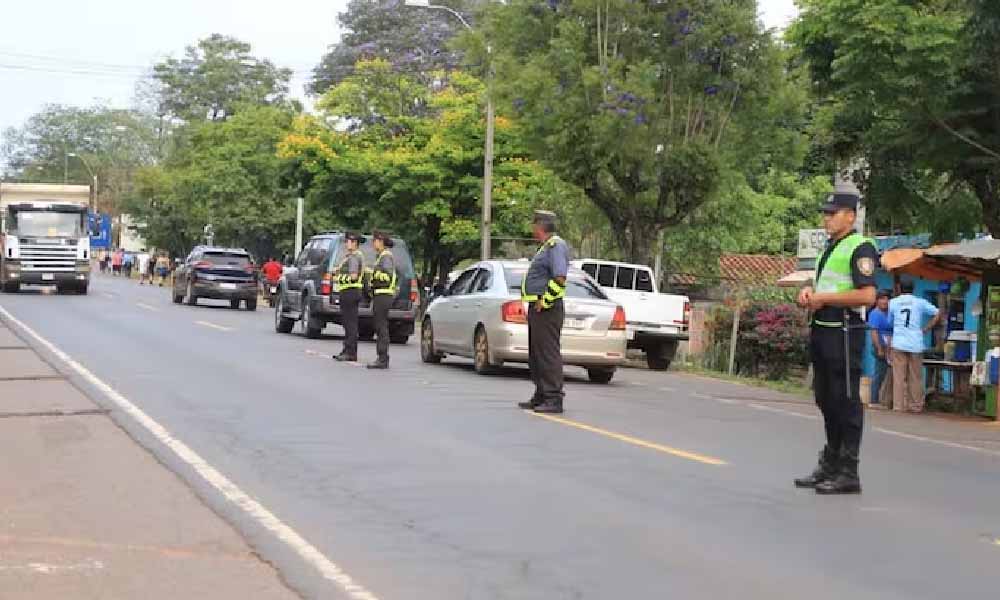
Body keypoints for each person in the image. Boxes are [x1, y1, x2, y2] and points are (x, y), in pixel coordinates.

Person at [794, 191, 877, 495]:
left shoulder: (861, 247)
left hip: (844, 331)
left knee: (846, 398)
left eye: (833, 213)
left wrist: (824, 298)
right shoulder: (830, 248)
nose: (826, 218)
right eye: (825, 213)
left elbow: (868, 295)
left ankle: (848, 470)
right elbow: (822, 285)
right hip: (822, 328)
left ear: (850, 216)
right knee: (825, 398)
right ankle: (830, 462)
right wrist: (807, 294)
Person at [518, 210, 571, 414]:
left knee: (547, 354)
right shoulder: (545, 247)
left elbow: (560, 278)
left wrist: (546, 301)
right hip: (538, 308)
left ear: (540, 226)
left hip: (547, 309)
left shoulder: (555, 246)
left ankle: (553, 397)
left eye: (534, 225)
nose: (532, 229)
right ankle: (541, 394)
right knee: (536, 354)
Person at [889, 281, 942, 414]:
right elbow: (938, 313)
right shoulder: (920, 302)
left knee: (899, 376)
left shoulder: (893, 302)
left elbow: (890, 321)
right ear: (913, 289)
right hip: (915, 343)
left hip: (899, 343)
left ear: (900, 288)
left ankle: (899, 406)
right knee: (915, 377)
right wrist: (926, 328)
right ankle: (916, 405)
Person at [333, 233, 366, 362]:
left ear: (354, 243)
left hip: (350, 292)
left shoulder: (354, 257)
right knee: (348, 323)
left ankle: (350, 351)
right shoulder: (351, 256)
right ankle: (347, 349)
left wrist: (338, 277)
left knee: (350, 323)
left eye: (349, 241)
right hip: (349, 292)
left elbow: (353, 276)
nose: (347, 244)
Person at [367, 231, 397, 369]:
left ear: (380, 241)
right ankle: (382, 357)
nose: (373, 243)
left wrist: (373, 275)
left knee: (381, 326)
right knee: (379, 326)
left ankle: (383, 358)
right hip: (380, 294)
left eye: (375, 240)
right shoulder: (381, 257)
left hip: (383, 294)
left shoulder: (386, 257)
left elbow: (387, 276)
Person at [867, 290, 894, 407]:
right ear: (877, 300)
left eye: (887, 298)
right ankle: (874, 400)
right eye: (882, 298)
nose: (885, 301)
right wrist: (879, 348)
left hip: (891, 347)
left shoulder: (890, 313)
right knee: (880, 373)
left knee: (891, 375)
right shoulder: (875, 314)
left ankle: (887, 400)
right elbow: (874, 332)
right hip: (881, 346)